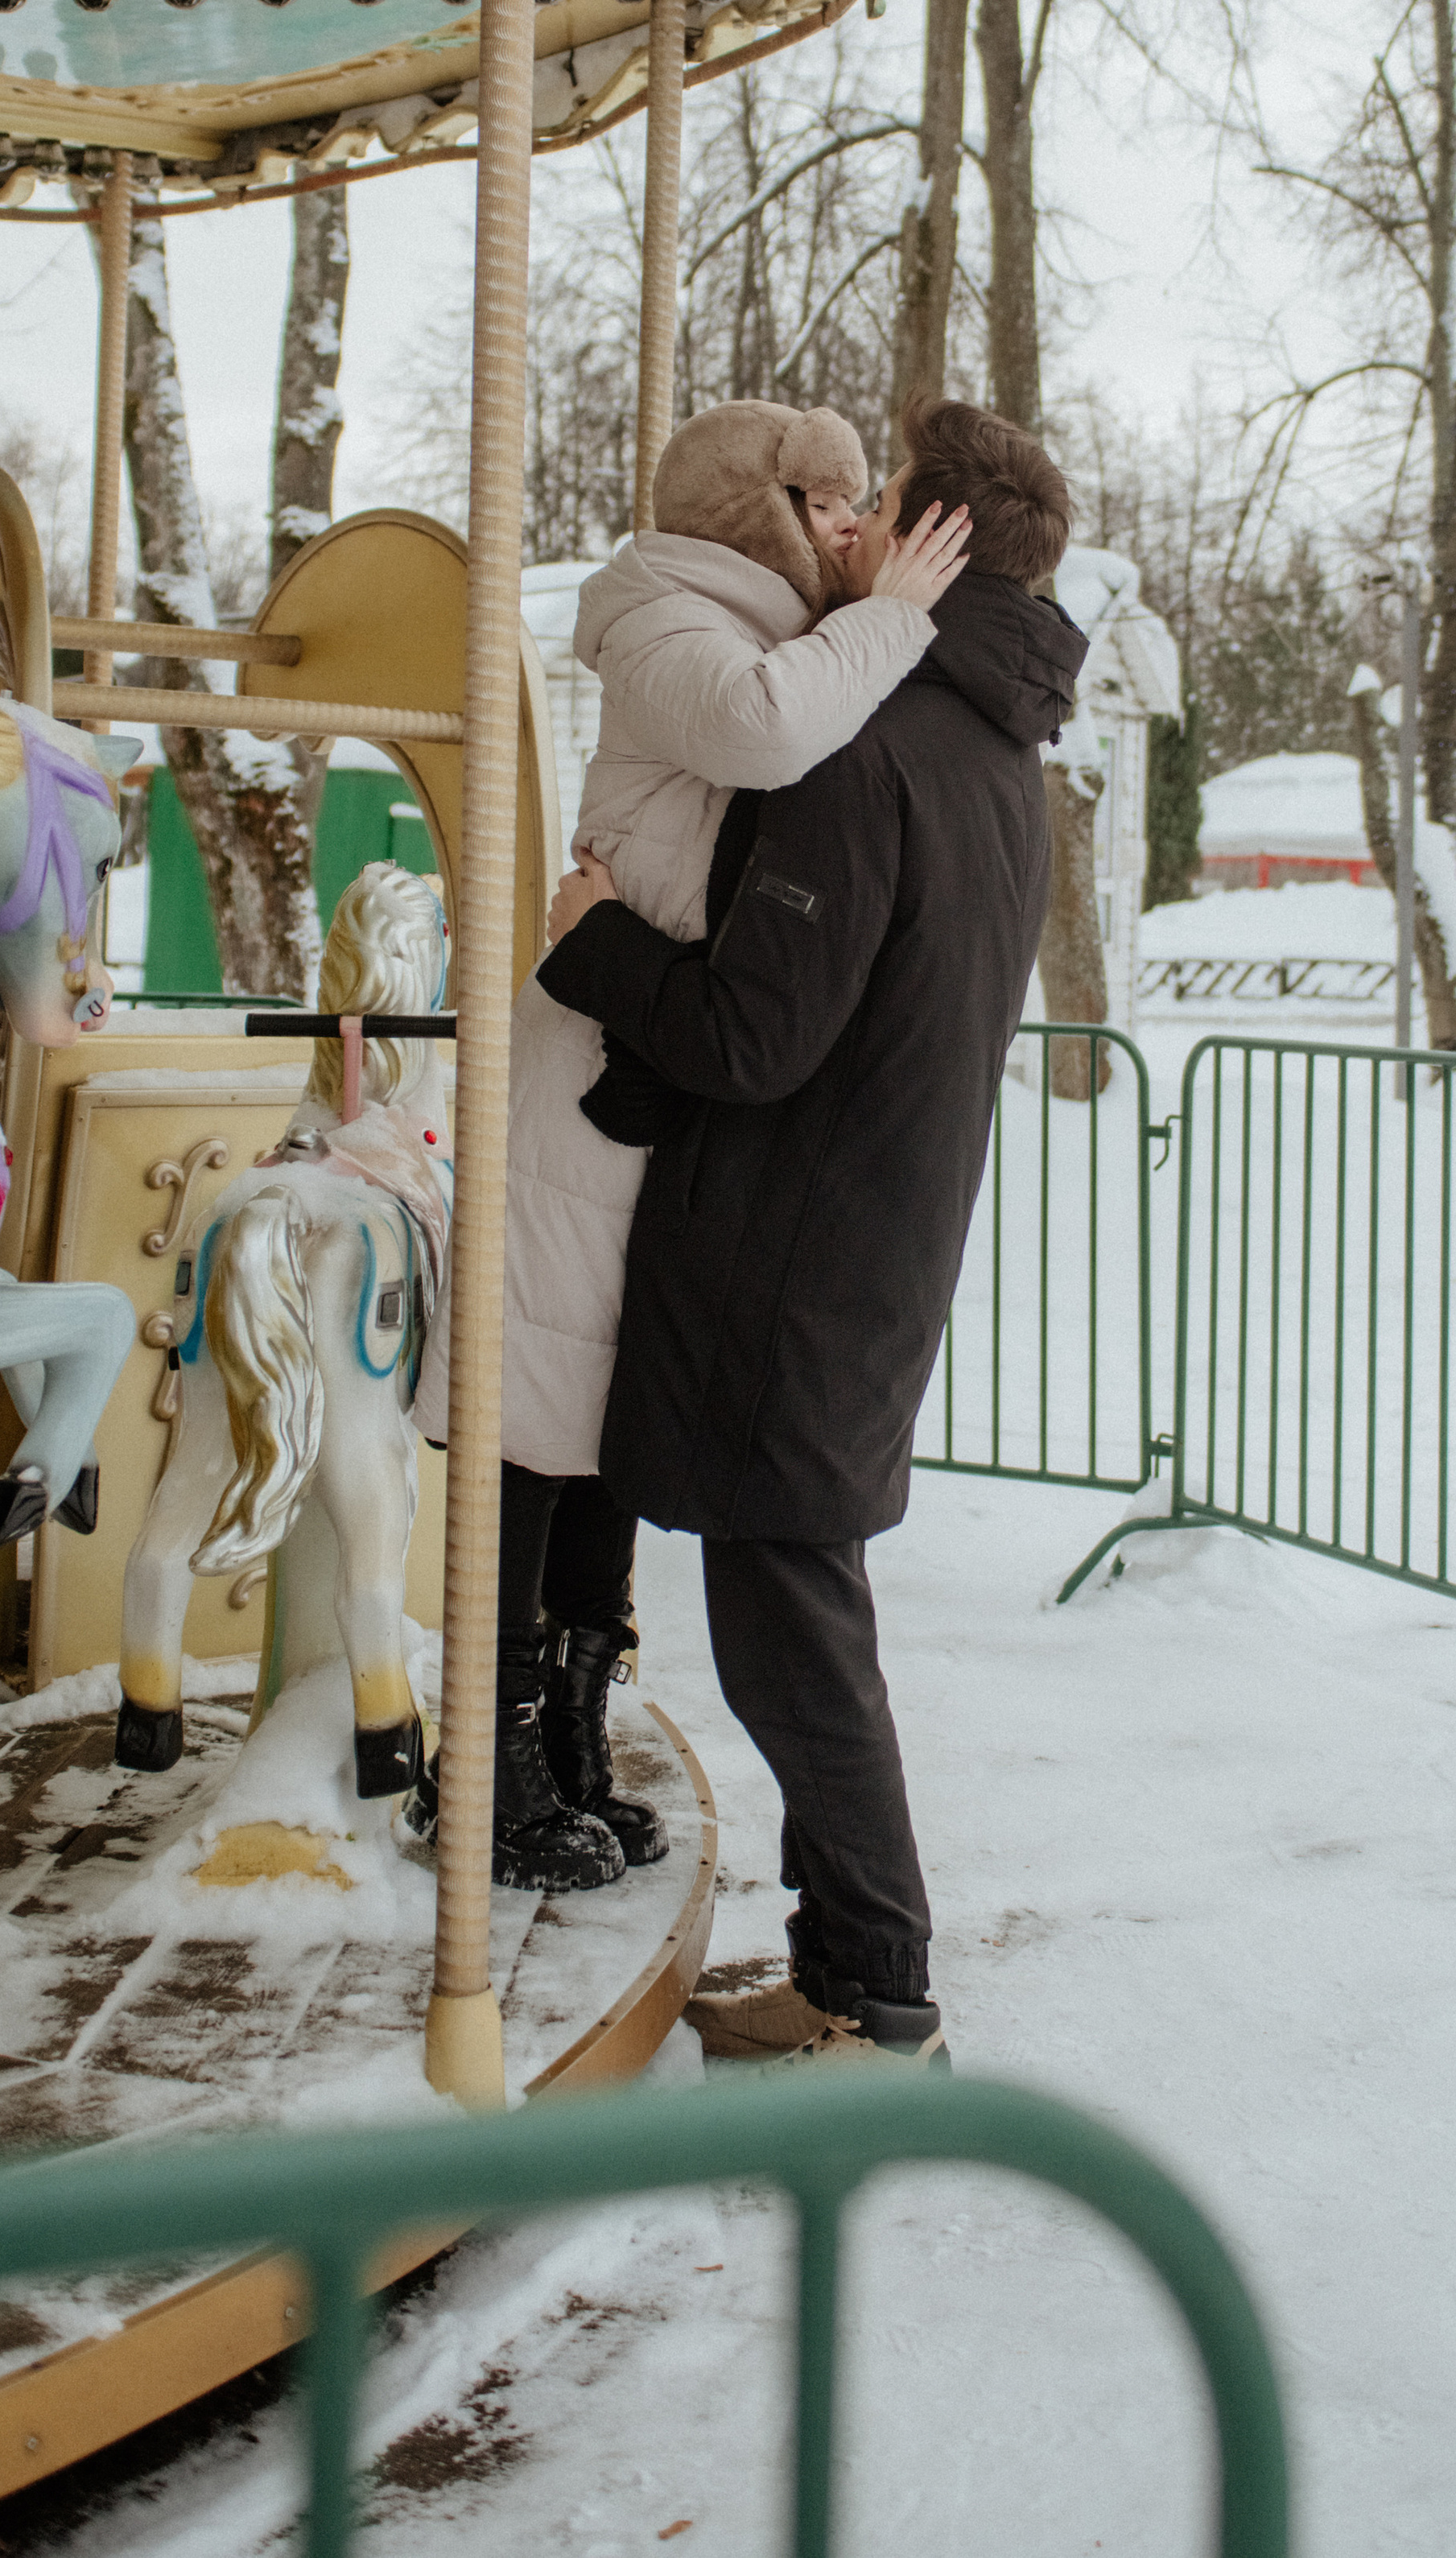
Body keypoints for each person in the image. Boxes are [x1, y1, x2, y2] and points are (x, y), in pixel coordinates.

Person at [537, 395, 1087, 2066]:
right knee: (799, 1625)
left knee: (796, 1648)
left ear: (933, 538)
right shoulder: (1000, 752)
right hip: (875, 1231)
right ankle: (851, 1967)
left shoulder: (871, 744)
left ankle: (880, 1993)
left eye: (881, 503)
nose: (846, 527)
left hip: (793, 1253)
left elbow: (754, 1031)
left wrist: (596, 938)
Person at [407, 398, 970, 1890]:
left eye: (857, 506)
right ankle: (484, 1759)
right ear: (754, 510)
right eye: (826, 507)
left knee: (607, 1426)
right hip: (586, 1088)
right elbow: (761, 727)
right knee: (530, 1423)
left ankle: (571, 1727)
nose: (850, 533)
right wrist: (897, 615)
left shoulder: (789, 639)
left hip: (660, 1074)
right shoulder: (671, 612)